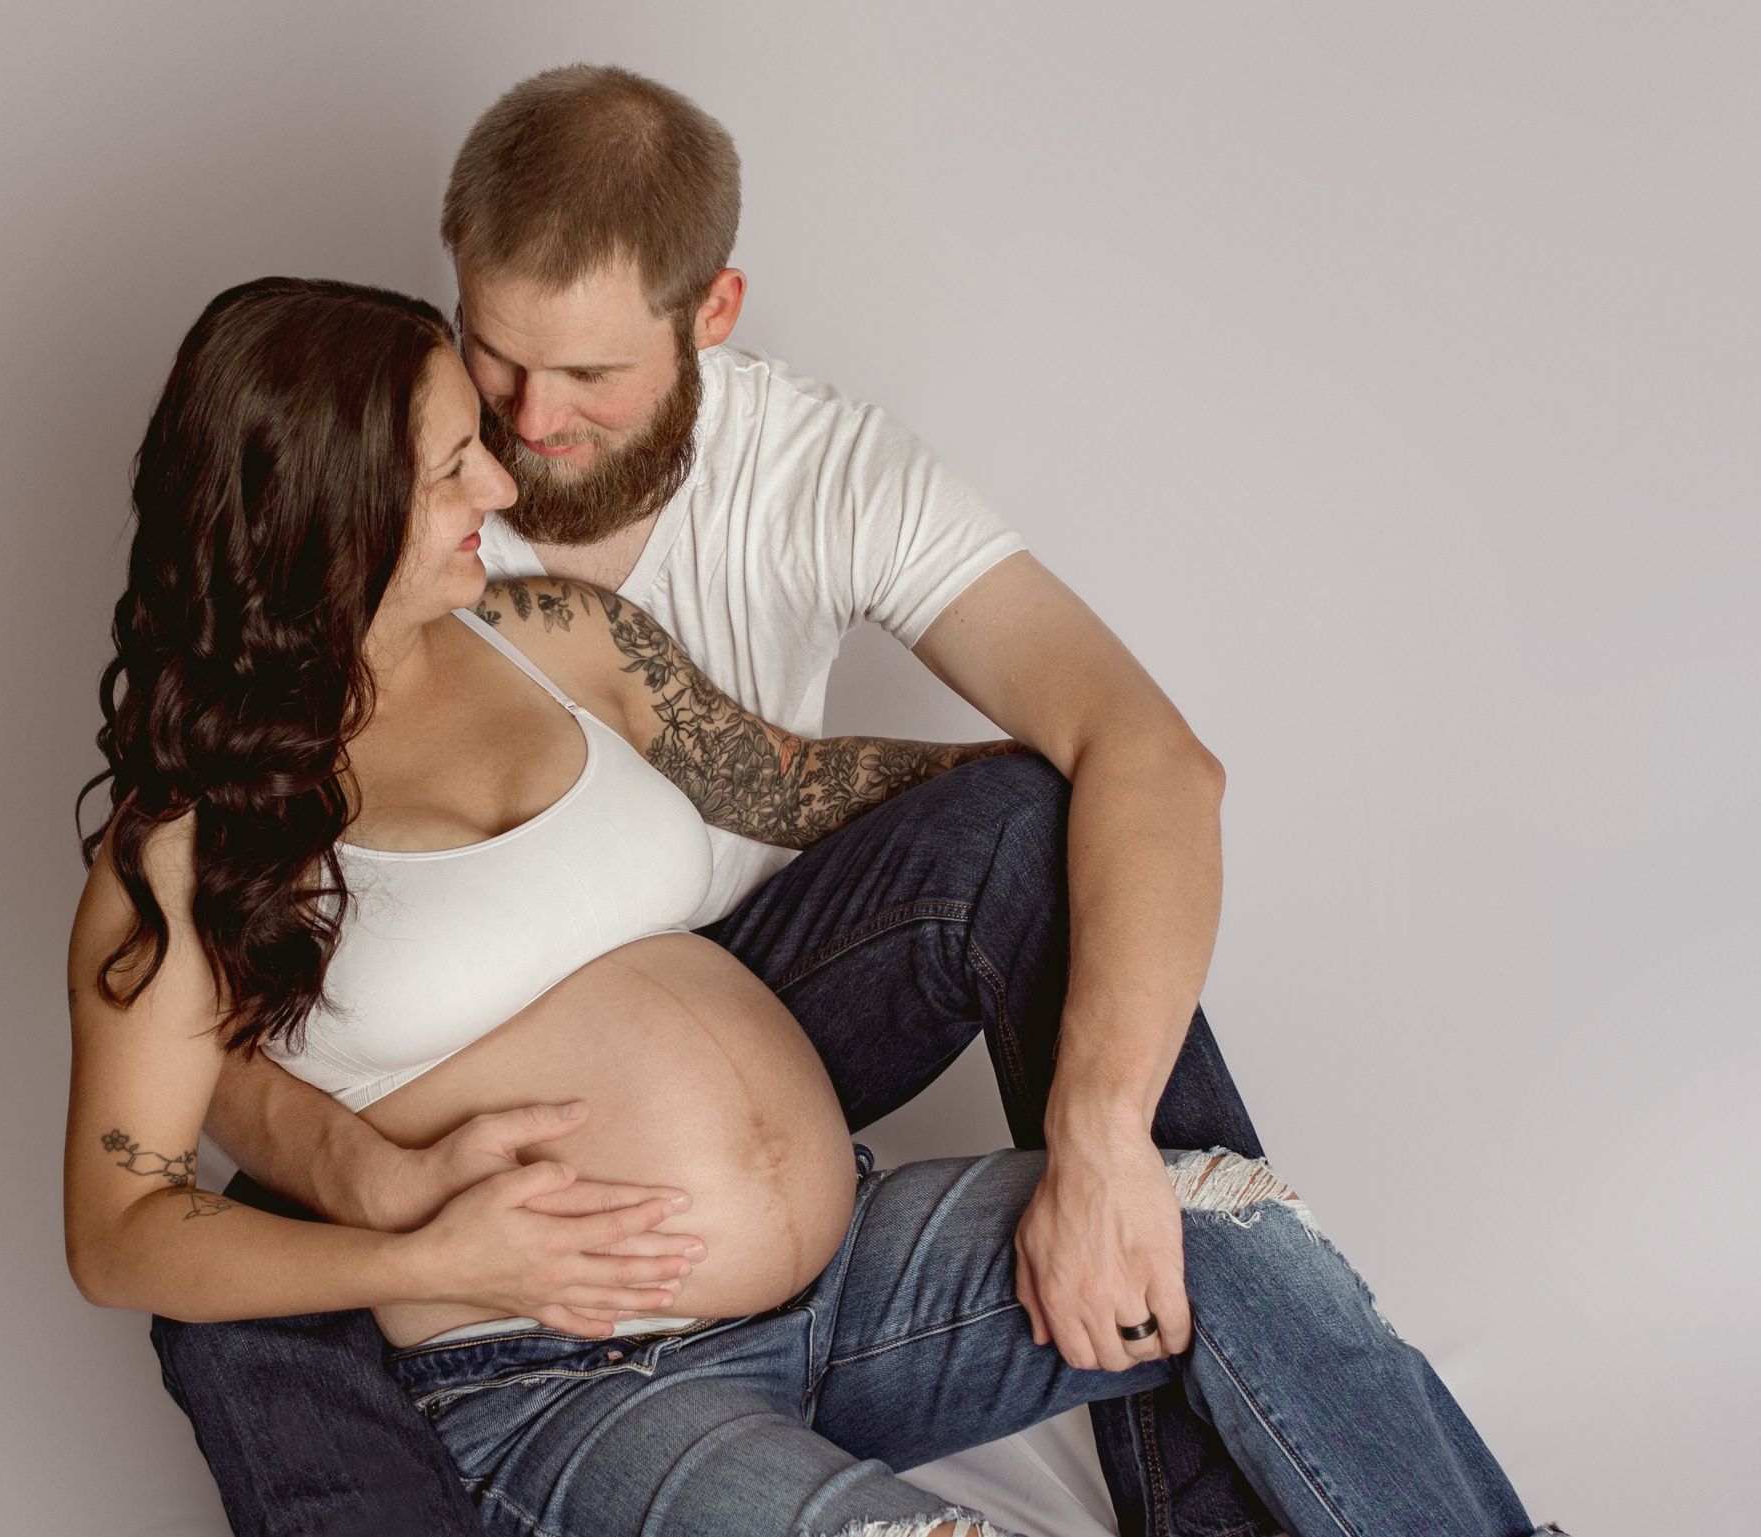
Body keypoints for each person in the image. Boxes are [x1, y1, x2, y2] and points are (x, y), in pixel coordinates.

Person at [70, 273, 1563, 1537]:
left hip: (850, 1281)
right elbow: (121, 1228)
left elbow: (786, 784)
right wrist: (417, 1254)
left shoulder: (549, 631)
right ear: (327, 500)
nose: (503, 486)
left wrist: (1095, 771)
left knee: (1236, 1231)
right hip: (576, 1379)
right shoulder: (187, 855)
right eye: (451, 463)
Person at [153, 65, 1283, 1535]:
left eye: (591, 377)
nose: (528, 428)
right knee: (227, 1289)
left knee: (1046, 827)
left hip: (774, 1006)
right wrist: (345, 1164)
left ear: (713, 314)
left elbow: (1112, 756)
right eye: (494, 360)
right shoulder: (386, 493)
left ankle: (1197, 1456)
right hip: (456, 1098)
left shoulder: (814, 471)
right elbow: (183, 950)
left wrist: (1103, 1136)